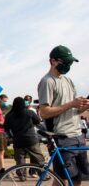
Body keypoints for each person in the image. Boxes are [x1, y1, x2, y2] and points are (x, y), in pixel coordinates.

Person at [38, 45, 89, 185]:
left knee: (78, 180)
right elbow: (44, 112)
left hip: (78, 135)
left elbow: (75, 111)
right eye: (66, 62)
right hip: (62, 136)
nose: (69, 65)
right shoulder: (47, 81)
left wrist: (84, 104)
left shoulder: (68, 81)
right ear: (53, 61)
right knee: (63, 180)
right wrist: (71, 104)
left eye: (70, 62)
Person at [4, 97, 45, 181]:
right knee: (38, 158)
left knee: (20, 160)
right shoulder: (29, 112)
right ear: (23, 104)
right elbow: (38, 121)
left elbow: (6, 128)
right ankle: (43, 174)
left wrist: (11, 137)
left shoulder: (9, 115)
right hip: (31, 139)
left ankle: (22, 176)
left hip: (18, 140)